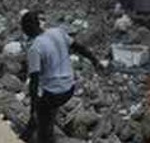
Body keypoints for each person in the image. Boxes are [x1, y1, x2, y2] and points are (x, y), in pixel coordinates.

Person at [21, 10, 101, 143]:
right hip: (69, 88)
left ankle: (40, 135)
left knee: (41, 115)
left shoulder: (34, 48)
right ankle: (34, 129)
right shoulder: (57, 32)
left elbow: (34, 83)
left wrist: (33, 109)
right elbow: (79, 47)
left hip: (54, 93)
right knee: (46, 109)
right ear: (38, 24)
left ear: (26, 30)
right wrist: (95, 61)